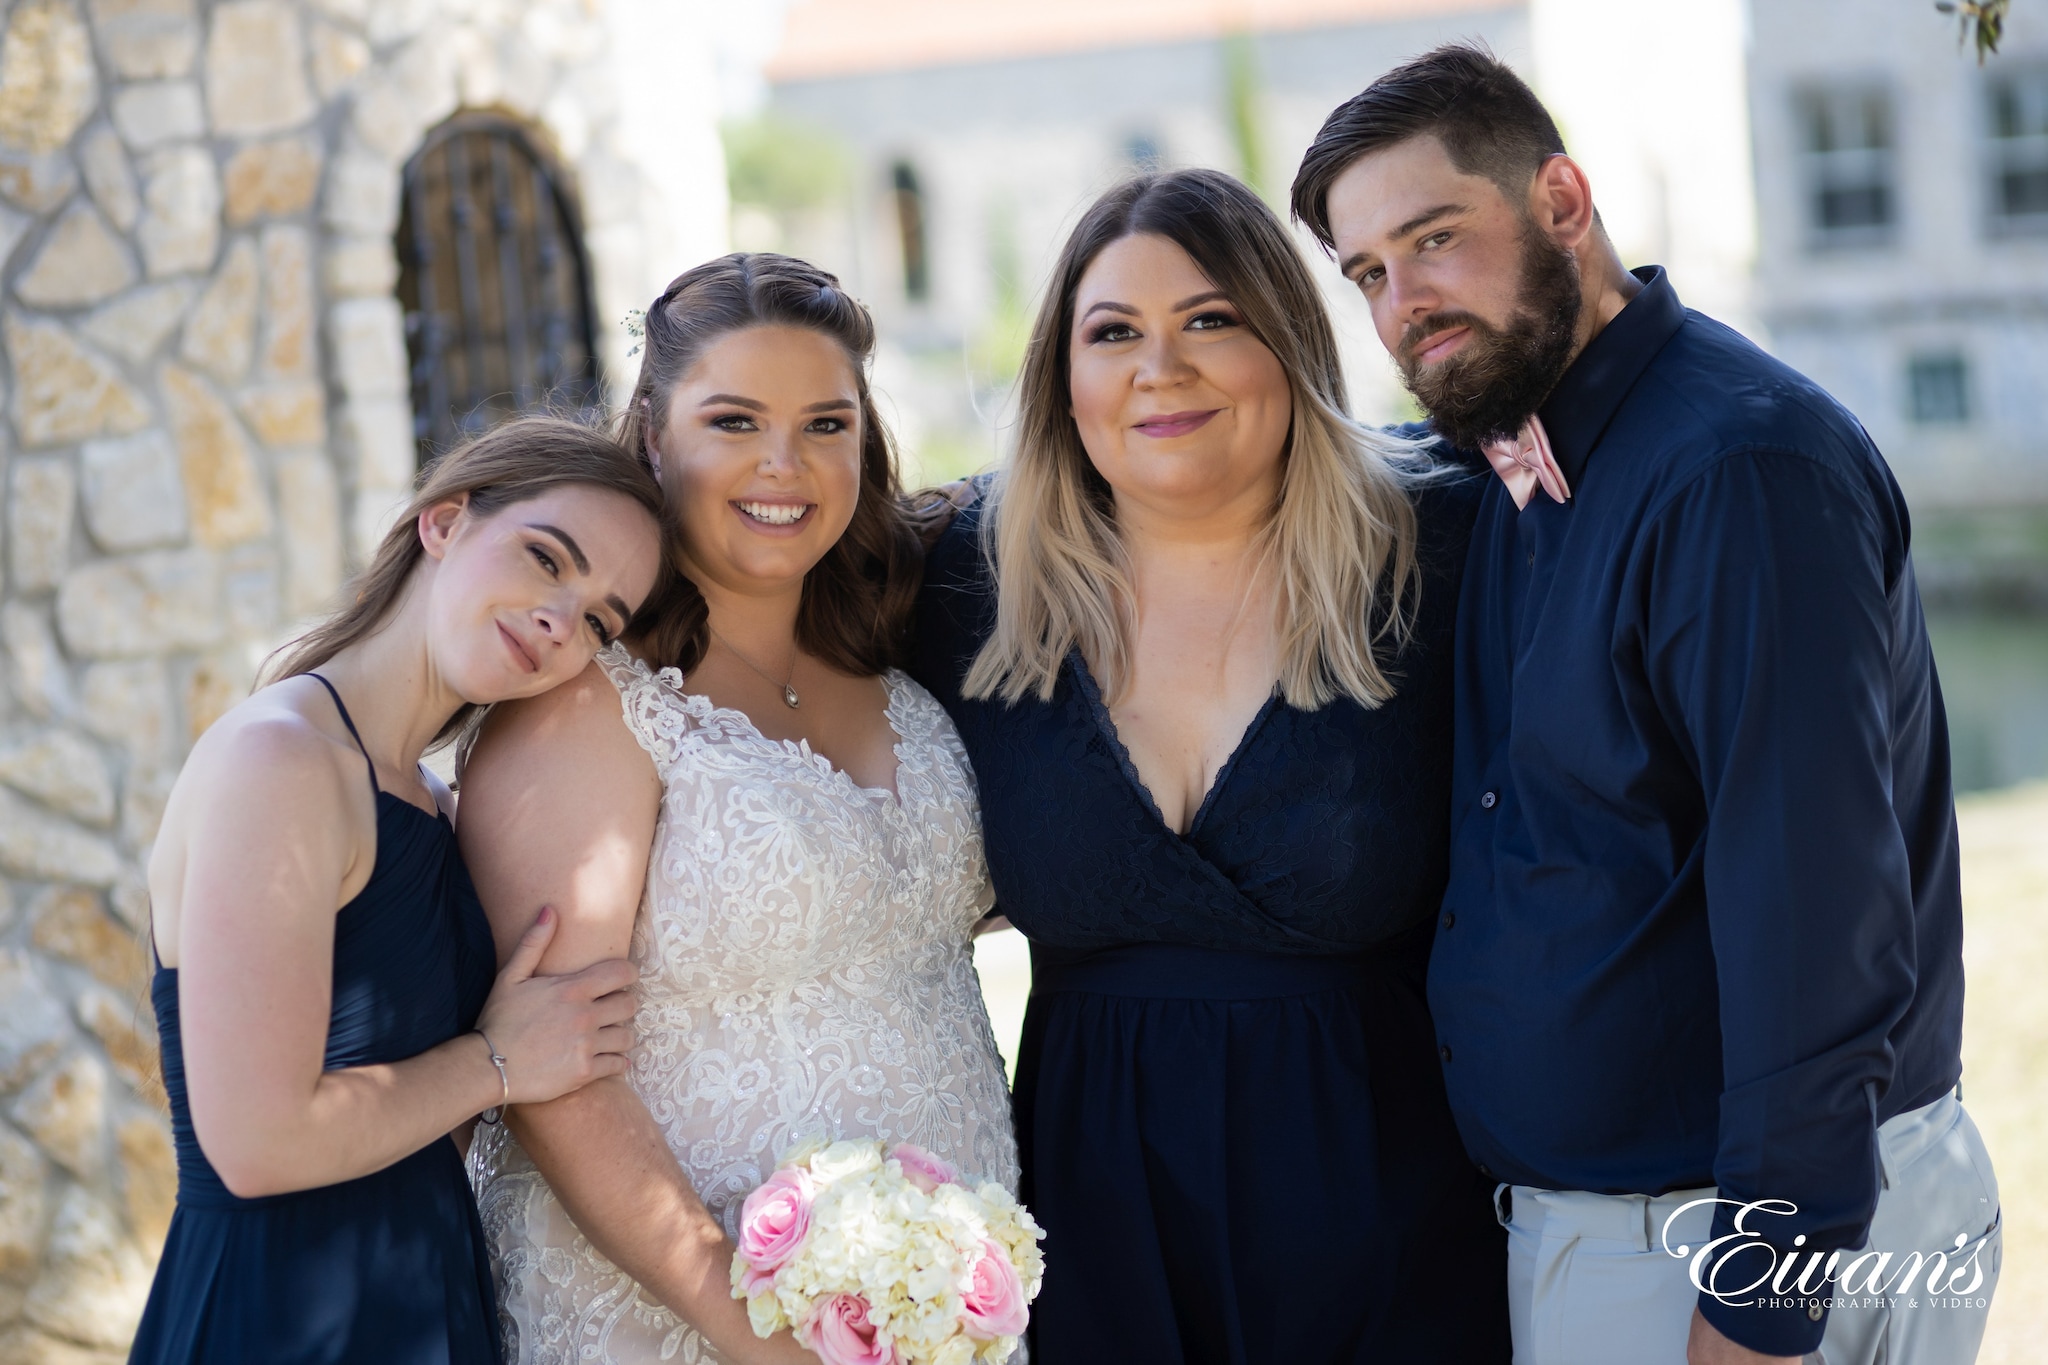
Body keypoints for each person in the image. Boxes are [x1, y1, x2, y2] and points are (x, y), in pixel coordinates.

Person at [1290, 44, 2001, 1365]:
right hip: (1609, 1242)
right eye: (1368, 274)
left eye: (1433, 239)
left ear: (1562, 200)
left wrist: (1760, 1306)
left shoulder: (1739, 471)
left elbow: (1820, 923)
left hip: (1734, 1258)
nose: (1404, 305)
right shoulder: (1522, 450)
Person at [912, 167, 1509, 1363]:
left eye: (1209, 321)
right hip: (1090, 1232)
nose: (1158, 368)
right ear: (1063, 381)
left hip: (1388, 1221)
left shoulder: (1446, 541)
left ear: (1286, 344)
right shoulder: (959, 585)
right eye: (1113, 333)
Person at [460, 253, 1017, 1365]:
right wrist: (753, 1330)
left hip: (940, 1309)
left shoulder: (904, 679)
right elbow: (552, 1076)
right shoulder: (585, 705)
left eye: (825, 423)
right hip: (686, 1319)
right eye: (733, 420)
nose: (784, 463)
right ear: (654, 436)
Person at [130, 417, 665, 1364]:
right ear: (444, 523)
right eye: (547, 559)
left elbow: (422, 1133)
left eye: (597, 620)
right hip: (279, 1314)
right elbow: (257, 1142)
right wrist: (497, 1060)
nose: (559, 619)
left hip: (425, 1300)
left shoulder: (434, 802)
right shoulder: (281, 760)